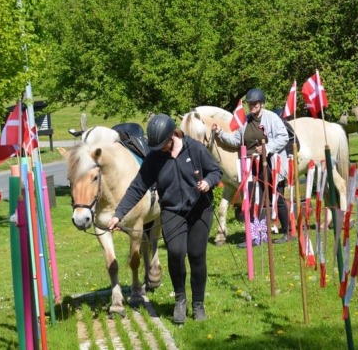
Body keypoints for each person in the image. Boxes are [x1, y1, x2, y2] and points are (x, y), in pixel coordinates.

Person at [107, 114, 222, 324]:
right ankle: (180, 299)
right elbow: (137, 187)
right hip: (172, 211)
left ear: (172, 136)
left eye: (162, 144)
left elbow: (216, 171)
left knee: (196, 255)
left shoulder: (195, 148)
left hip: (200, 209)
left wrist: (207, 182)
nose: (159, 148)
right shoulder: (154, 158)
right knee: (176, 253)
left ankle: (198, 304)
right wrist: (118, 214)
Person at [211, 88, 294, 246]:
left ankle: (288, 232)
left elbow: (283, 137)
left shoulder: (271, 118)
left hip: (271, 164)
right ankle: (258, 236)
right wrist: (219, 132)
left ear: (262, 103)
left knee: (277, 198)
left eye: (255, 103)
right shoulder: (247, 121)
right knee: (256, 201)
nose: (253, 106)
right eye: (250, 104)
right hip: (251, 167)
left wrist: (267, 148)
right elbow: (236, 140)